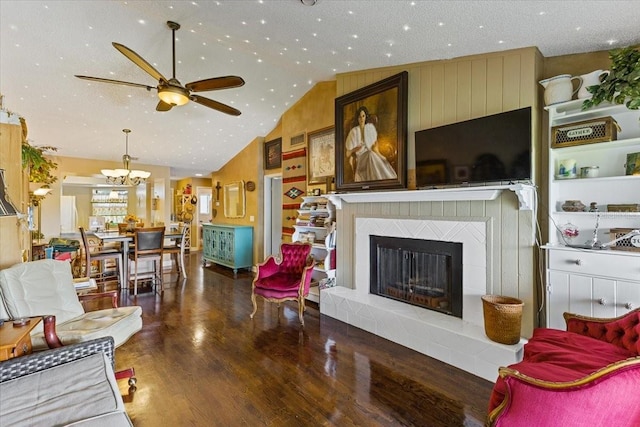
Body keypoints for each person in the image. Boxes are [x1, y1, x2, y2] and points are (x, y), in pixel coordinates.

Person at [345, 106, 397, 182]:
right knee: (370, 155)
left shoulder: (370, 129)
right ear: (357, 118)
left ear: (366, 117)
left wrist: (377, 152)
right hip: (360, 159)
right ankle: (377, 183)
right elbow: (347, 154)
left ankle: (383, 183)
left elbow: (375, 148)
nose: (361, 118)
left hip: (371, 154)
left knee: (372, 155)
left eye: (363, 116)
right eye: (359, 117)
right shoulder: (353, 132)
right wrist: (354, 149)